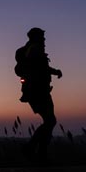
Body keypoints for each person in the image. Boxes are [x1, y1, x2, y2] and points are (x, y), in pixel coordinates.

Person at [18, 27, 63, 164]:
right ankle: (32, 149)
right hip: (38, 91)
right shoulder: (34, 49)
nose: (44, 39)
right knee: (50, 121)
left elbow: (39, 68)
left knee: (49, 121)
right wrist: (55, 71)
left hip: (37, 91)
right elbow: (40, 68)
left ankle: (40, 154)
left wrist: (54, 72)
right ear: (35, 37)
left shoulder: (31, 49)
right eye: (42, 36)